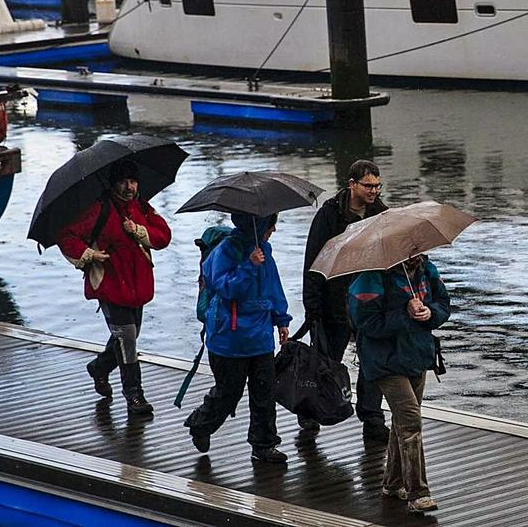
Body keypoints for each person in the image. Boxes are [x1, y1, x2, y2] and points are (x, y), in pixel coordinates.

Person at [58, 160, 172, 416]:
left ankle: (99, 368)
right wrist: (89, 254)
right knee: (127, 339)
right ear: (113, 184)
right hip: (110, 285)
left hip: (138, 286)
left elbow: (164, 235)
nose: (129, 187)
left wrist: (139, 231)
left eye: (132, 181)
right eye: (123, 182)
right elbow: (66, 236)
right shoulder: (98, 209)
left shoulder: (141, 207)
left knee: (128, 336)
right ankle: (134, 396)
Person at [184, 213, 292, 463]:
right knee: (228, 393)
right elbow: (226, 288)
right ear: (257, 224)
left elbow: (273, 287)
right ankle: (201, 424)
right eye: (270, 223)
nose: (273, 229)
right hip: (230, 338)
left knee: (264, 393)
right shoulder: (225, 251)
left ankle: (264, 444)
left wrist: (281, 319)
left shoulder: (265, 250)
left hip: (261, 336)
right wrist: (248, 266)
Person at [349, 253, 451, 513]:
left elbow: (443, 303)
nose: (415, 254)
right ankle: (418, 492)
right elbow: (366, 323)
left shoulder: (427, 270)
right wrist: (405, 314)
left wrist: (430, 313)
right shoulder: (370, 278)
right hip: (385, 361)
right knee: (410, 420)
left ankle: (393, 483)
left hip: (417, 355)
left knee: (402, 422)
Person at [302, 159, 389, 440]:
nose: (374, 191)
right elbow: (314, 259)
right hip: (334, 300)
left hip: (369, 300)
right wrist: (312, 305)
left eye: (377, 185)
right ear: (352, 184)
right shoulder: (330, 214)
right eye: (368, 186)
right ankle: (311, 412)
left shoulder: (382, 214)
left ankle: (372, 417)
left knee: (373, 361)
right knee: (327, 361)